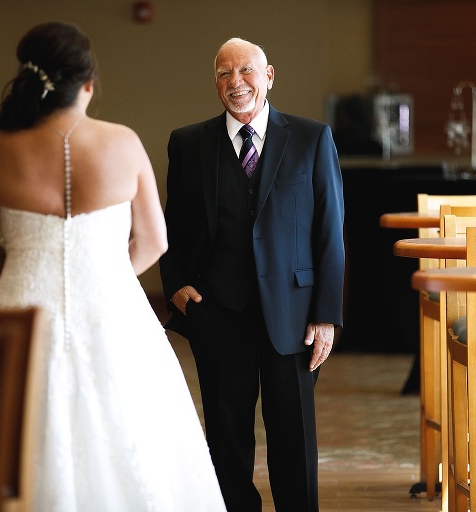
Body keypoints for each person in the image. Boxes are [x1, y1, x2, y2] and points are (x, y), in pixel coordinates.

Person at [0, 21, 226, 512]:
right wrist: (107, 278)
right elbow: (154, 240)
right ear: (87, 85)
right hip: (115, 312)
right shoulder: (122, 142)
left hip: (19, 317)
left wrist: (26, 273)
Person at [159, 37, 346, 512]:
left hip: (294, 313)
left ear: (269, 75)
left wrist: (326, 315)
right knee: (226, 440)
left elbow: (330, 232)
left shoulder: (310, 137)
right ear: (215, 82)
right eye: (224, 73)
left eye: (245, 71)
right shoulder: (187, 143)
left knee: (294, 438)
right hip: (217, 312)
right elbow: (172, 227)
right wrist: (178, 289)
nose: (235, 83)